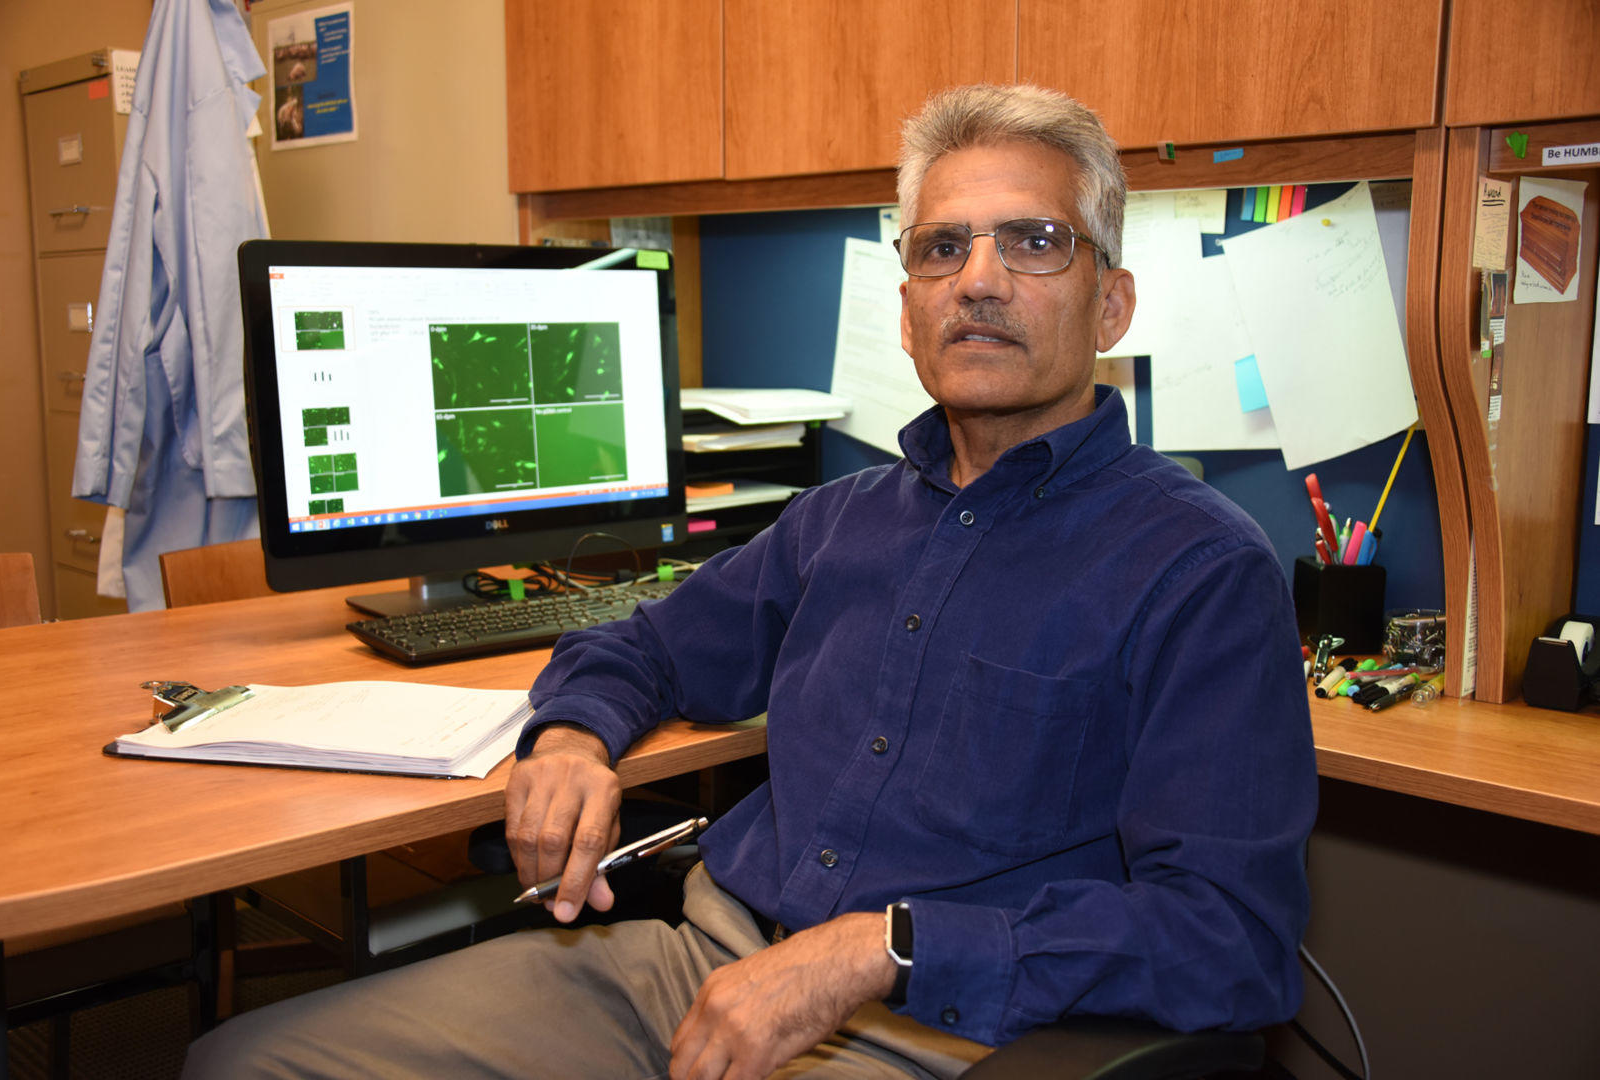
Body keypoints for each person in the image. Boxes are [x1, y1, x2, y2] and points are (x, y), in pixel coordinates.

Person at [184, 83, 1316, 1080]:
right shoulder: (841, 520)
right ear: (910, 306)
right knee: (248, 1060)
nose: (977, 281)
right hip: (694, 964)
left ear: (1109, 303)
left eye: (1031, 243)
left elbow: (1227, 939)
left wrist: (885, 946)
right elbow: (642, 644)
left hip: (944, 1036)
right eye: (940, 249)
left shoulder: (1197, 571)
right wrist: (572, 737)